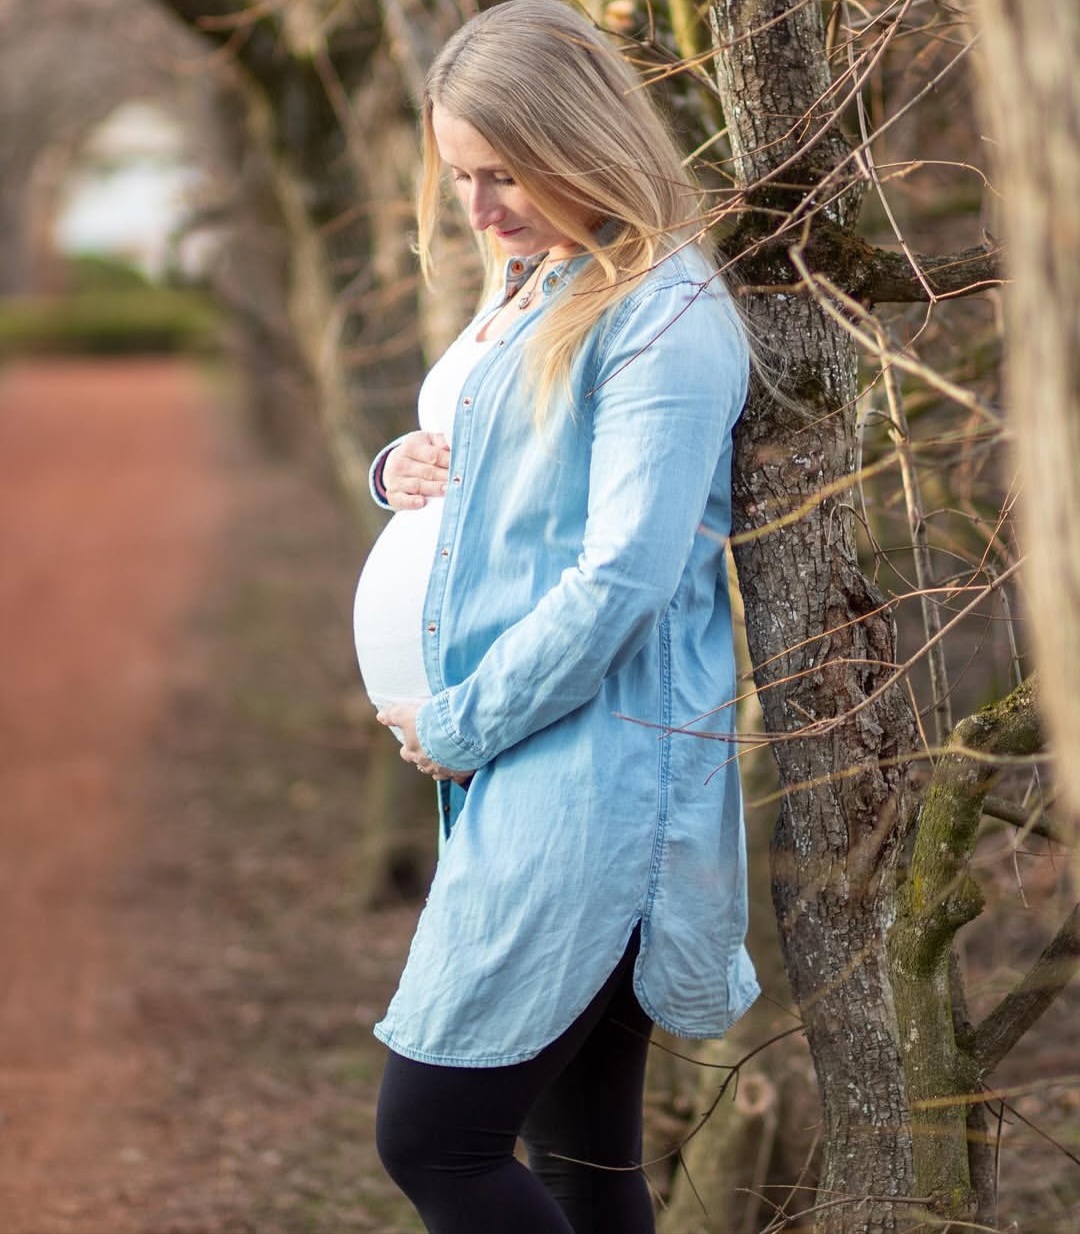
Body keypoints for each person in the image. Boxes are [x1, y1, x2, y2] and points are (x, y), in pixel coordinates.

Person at [352, 1, 759, 1229]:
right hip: (525, 761)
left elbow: (623, 579)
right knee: (582, 1161)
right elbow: (486, 458)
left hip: (595, 776)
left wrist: (463, 720)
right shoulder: (546, 277)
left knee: (435, 1138)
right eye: (462, 177)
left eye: (502, 174)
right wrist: (397, 469)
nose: (479, 210)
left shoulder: (663, 316)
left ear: (581, 140)